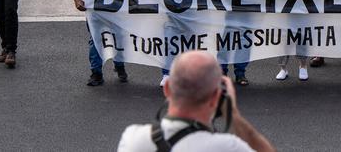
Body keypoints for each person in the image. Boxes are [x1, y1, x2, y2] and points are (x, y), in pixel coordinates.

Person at [116, 50, 274, 152]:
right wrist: (233, 115)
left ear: (167, 89)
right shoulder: (227, 147)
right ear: (217, 96)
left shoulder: (132, 139)